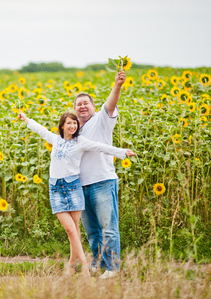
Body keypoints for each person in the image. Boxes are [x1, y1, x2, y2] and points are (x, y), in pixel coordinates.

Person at [18, 110, 135, 277]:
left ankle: (82, 268)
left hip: (73, 187)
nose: (73, 126)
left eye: (75, 123)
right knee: (70, 229)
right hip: (56, 189)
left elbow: (100, 147)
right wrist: (26, 119)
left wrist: (122, 152)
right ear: (62, 126)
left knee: (73, 229)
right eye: (69, 123)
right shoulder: (56, 140)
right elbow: (41, 130)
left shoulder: (80, 141)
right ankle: (75, 264)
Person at [74, 69, 127, 279]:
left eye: (86, 103)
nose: (83, 106)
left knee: (108, 228)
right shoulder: (74, 129)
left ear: (94, 107)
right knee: (92, 231)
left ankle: (113, 269)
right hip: (81, 185)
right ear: (74, 109)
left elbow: (111, 103)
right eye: (79, 104)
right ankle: (97, 264)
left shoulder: (102, 120)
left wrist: (117, 85)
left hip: (103, 181)